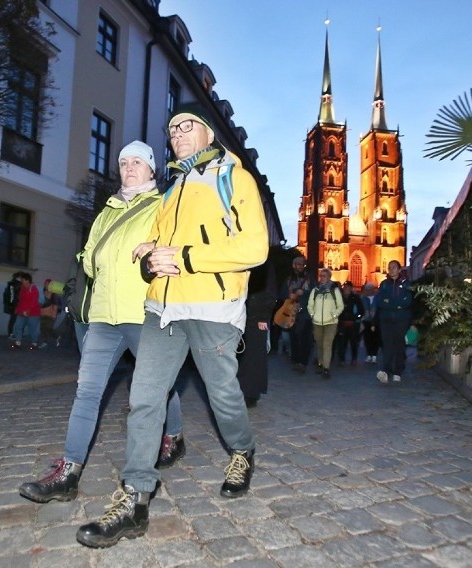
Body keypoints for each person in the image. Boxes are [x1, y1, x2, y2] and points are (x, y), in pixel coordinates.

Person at [75, 103, 268, 549]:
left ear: (207, 132)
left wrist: (184, 258)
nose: (177, 133)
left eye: (186, 126)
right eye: (171, 129)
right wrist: (151, 250)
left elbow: (254, 247)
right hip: (163, 310)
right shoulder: (173, 189)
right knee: (143, 398)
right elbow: (164, 245)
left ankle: (242, 451)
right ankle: (135, 497)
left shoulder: (232, 178)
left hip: (213, 306)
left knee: (222, 393)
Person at [19, 140, 186, 505]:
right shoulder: (107, 210)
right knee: (87, 392)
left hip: (144, 315)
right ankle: (69, 472)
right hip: (102, 318)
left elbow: (172, 247)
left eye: (137, 162)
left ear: (152, 169)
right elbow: (90, 260)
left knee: (157, 386)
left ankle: (173, 434)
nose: (129, 168)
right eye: (124, 162)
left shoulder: (163, 206)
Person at [237, 259, 277, 408]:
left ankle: (251, 393)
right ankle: (240, 388)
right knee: (240, 355)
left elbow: (270, 292)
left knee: (254, 356)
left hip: (256, 316)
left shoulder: (265, 264)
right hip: (238, 314)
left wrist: (263, 316)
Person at [375, 261, 413, 383]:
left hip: (401, 319)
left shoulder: (407, 284)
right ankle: (386, 370)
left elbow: (407, 301)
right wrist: (396, 304)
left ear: (399, 269)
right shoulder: (384, 284)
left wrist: (390, 303)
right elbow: (380, 301)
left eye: (394, 267)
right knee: (387, 345)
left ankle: (398, 370)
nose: (391, 270)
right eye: (390, 267)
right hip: (386, 319)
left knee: (399, 345)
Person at [307, 268, 343, 378]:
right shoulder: (315, 290)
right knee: (319, 344)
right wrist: (312, 314)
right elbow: (310, 305)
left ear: (329, 277)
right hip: (317, 322)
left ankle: (326, 368)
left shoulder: (334, 290)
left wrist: (334, 314)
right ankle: (320, 363)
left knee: (327, 344)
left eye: (324, 276)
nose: (322, 278)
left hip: (331, 322)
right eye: (321, 276)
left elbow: (340, 305)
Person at [281, 256, 313, 373]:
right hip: (292, 312)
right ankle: (295, 361)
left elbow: (314, 292)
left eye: (301, 264)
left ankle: (303, 362)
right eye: (297, 264)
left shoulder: (309, 278)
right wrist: (290, 295)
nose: (299, 266)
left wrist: (304, 292)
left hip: (305, 313)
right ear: (293, 265)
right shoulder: (289, 279)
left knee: (305, 339)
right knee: (293, 338)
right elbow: (282, 294)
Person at [334, 280, 365, 366]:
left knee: (353, 343)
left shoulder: (356, 298)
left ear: (351, 288)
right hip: (342, 323)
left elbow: (361, 311)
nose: (346, 289)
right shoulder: (339, 298)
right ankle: (342, 359)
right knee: (341, 343)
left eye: (348, 287)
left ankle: (354, 358)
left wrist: (355, 319)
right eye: (345, 287)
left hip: (353, 324)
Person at [9, 273, 43, 351]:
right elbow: (21, 300)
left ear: (27, 280)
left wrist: (29, 309)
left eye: (23, 280)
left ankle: (34, 343)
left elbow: (34, 301)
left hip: (33, 313)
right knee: (18, 326)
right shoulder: (22, 288)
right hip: (22, 312)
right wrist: (17, 308)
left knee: (32, 329)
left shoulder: (33, 288)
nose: (22, 281)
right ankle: (18, 342)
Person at [361, 282, 381, 363]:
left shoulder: (378, 298)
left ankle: (374, 355)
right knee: (367, 338)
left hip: (376, 321)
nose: (368, 291)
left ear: (373, 289)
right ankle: (369, 355)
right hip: (366, 321)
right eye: (367, 289)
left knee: (376, 338)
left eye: (370, 289)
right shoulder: (363, 298)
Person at [3, 272, 23, 338]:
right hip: (15, 305)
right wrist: (13, 306)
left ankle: (18, 334)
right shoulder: (13, 285)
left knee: (19, 320)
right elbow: (11, 296)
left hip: (18, 305)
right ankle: (10, 334)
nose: (22, 278)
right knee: (13, 320)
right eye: (21, 277)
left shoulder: (18, 284)